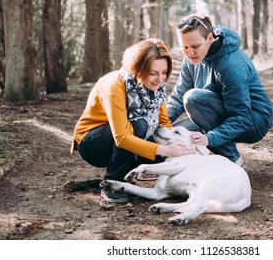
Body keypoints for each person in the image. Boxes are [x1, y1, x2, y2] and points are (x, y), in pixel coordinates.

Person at [71, 38, 195, 204]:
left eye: (164, 72)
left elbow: (164, 122)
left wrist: (173, 144)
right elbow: (122, 137)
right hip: (93, 144)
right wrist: (165, 150)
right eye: (153, 73)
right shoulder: (115, 84)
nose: (160, 79)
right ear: (138, 69)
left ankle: (126, 175)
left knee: (162, 143)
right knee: (139, 124)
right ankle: (112, 182)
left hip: (131, 137)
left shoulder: (157, 86)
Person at [167, 13, 273, 166]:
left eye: (195, 46)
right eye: (184, 47)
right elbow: (177, 97)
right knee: (169, 139)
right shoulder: (191, 59)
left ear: (210, 38)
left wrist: (210, 138)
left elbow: (241, 117)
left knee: (193, 98)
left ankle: (233, 160)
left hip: (253, 121)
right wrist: (157, 125)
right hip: (214, 113)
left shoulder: (231, 65)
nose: (190, 53)